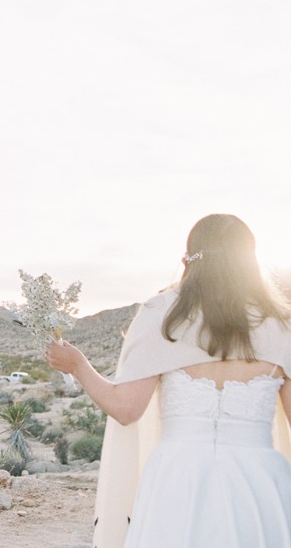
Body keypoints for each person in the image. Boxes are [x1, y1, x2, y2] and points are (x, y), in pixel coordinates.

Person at [46, 214, 291, 548]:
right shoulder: (282, 323)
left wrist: (78, 365)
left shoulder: (162, 312)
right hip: (260, 483)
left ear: (188, 259)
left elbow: (125, 409)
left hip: (178, 479)